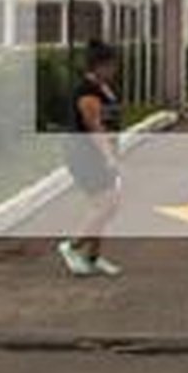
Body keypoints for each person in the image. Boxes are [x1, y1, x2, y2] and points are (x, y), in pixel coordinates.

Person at [57, 40, 123, 278]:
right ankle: (71, 246)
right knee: (108, 204)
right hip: (84, 154)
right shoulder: (87, 93)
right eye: (111, 65)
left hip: (99, 154)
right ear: (98, 66)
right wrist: (108, 156)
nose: (115, 70)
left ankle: (92, 257)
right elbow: (94, 127)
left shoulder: (104, 88)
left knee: (103, 206)